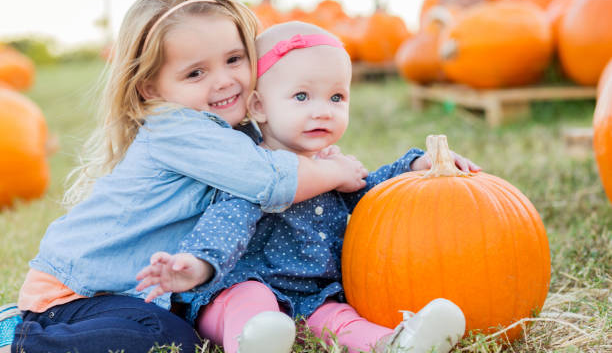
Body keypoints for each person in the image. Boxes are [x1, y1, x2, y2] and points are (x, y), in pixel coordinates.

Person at [0, 0, 370, 353]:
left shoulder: (232, 129)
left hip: (125, 294)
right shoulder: (178, 129)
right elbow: (271, 181)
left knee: (174, 331)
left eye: (233, 59)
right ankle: (21, 340)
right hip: (72, 293)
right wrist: (335, 173)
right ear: (151, 89)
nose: (224, 81)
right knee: (163, 337)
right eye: (196, 73)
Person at [136, 21, 481, 353]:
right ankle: (251, 343)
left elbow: (371, 191)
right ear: (259, 106)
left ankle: (396, 343)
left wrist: (415, 165)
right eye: (302, 96)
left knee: (341, 320)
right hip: (239, 288)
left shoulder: (331, 167)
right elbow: (227, 222)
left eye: (336, 98)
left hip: (313, 296)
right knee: (252, 302)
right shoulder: (255, 170)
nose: (323, 112)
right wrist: (198, 264)